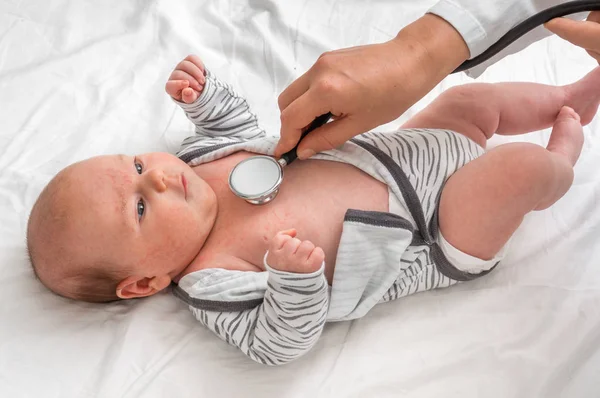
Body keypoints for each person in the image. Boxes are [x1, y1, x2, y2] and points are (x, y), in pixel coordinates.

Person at [27, 54, 596, 366]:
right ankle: (561, 161)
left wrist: (204, 98)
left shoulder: (198, 163)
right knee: (514, 171)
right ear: (144, 281)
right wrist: (294, 282)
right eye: (141, 208)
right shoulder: (212, 280)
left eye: (134, 166)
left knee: (468, 101)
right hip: (436, 228)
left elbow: (236, 127)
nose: (156, 176)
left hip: (406, 147)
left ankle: (568, 97)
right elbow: (275, 345)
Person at [274, 0, 600, 162]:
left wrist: (419, 51)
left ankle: (565, 116)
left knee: (470, 107)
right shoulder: (224, 279)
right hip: (424, 216)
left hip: (403, 168)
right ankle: (561, 145)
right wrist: (420, 51)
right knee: (517, 164)